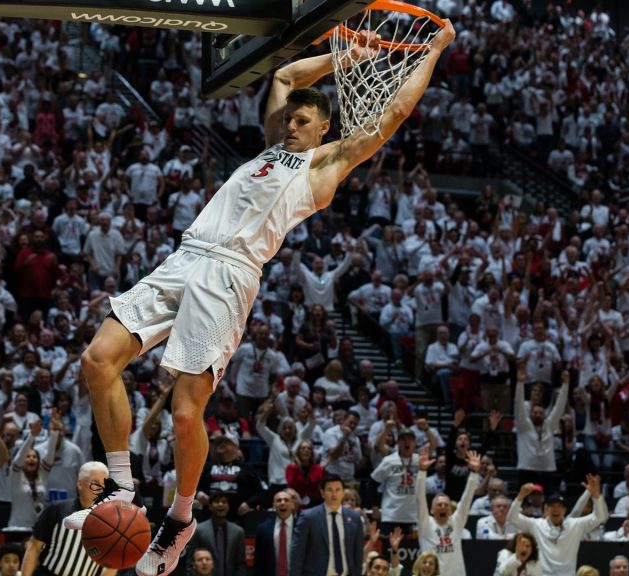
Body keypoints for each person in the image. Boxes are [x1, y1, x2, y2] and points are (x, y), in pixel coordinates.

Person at [62, 20, 456, 576]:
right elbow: (288, 72)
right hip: (186, 257)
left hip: (230, 275)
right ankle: (122, 488)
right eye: (289, 117)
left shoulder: (326, 164)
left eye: (303, 120)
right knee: (98, 359)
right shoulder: (271, 147)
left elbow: (393, 113)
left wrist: (434, 48)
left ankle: (178, 522)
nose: (291, 124)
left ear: (323, 128)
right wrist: (342, 58)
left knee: (184, 412)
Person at [21, 462, 117, 576]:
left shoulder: (111, 521)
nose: (101, 489)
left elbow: (112, 563)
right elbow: (33, 547)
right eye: (95, 483)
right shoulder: (58, 509)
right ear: (80, 484)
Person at [507, 474, 608, 576]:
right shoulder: (536, 525)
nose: (556, 509)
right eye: (552, 506)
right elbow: (512, 518)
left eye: (559, 506)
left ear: (564, 510)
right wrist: (519, 497)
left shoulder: (575, 525)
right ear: (546, 509)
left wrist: (596, 497)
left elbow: (599, 517)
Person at [415, 448, 481, 576]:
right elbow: (420, 498)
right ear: (431, 510)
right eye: (439, 505)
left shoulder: (456, 522)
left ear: (451, 510)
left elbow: (467, 498)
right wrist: (422, 472)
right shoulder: (425, 523)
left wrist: (474, 473)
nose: (443, 507)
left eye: (446, 504)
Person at [290, 474, 364, 576]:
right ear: (322, 493)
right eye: (330, 490)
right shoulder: (308, 517)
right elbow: (297, 553)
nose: (334, 494)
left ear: (343, 493)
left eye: (338, 489)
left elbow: (358, 554)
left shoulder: (355, 517)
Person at [192, 492, 245, 576]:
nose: (221, 504)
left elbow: (241, 563)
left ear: (228, 507)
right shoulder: (199, 530)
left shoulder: (238, 532)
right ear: (210, 506)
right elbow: (191, 562)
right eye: (217, 501)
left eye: (224, 502)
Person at [253, 490, 295, 576]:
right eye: (278, 500)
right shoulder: (263, 529)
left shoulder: (302, 527)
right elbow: (259, 561)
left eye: (286, 500)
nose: (282, 503)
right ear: (274, 505)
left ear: (292, 505)